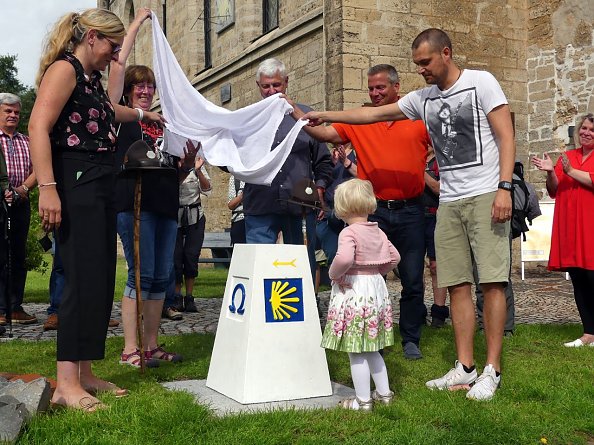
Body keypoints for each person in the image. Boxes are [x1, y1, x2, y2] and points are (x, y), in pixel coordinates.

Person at [303, 28, 515, 401]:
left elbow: (505, 135)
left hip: (485, 193)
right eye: (417, 64)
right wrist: (321, 114)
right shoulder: (423, 98)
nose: (421, 70)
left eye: (425, 62)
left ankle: (492, 369)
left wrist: (504, 187)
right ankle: (464, 367)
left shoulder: (482, 83)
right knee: (457, 283)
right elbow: (368, 116)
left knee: (492, 282)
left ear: (446, 53)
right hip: (450, 200)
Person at [28, 8, 164, 411]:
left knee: (101, 277)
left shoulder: (89, 80)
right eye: (112, 46)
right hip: (75, 181)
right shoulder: (64, 70)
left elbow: (109, 113)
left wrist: (143, 113)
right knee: (81, 279)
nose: (114, 54)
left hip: (101, 181)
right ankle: (66, 383)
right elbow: (37, 126)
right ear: (91, 38)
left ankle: (85, 372)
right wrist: (48, 189)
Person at [290, 64, 431, 360]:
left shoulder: (418, 119)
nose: (375, 93)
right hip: (374, 212)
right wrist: (292, 109)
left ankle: (410, 338)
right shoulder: (360, 120)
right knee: (367, 276)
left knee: (412, 279)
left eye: (381, 88)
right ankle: (374, 334)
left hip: (411, 210)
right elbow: (324, 134)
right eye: (371, 88)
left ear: (396, 87)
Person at [108, 9, 191, 367]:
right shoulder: (120, 117)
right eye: (137, 86)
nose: (144, 91)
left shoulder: (165, 123)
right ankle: (130, 349)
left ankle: (152, 344)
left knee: (161, 276)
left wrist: (187, 162)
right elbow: (115, 68)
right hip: (134, 205)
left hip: (164, 203)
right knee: (139, 274)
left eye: (149, 86)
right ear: (128, 92)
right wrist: (138, 24)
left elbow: (176, 171)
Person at [242, 58, 332, 282]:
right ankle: (264, 313)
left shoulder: (306, 115)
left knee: (301, 265)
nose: (272, 91)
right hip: (261, 204)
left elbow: (324, 161)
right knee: (259, 266)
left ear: (286, 83)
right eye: (266, 86)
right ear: (258, 86)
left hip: (300, 205)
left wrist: (320, 189)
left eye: (276, 85)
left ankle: (305, 311)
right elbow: (231, 159)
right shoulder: (246, 119)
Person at [321, 178, 400, 411]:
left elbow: (344, 259)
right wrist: (379, 271)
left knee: (356, 350)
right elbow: (394, 257)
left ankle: (363, 400)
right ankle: (385, 394)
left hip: (355, 290)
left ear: (341, 208)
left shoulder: (348, 233)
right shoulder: (378, 231)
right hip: (375, 288)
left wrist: (334, 275)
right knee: (372, 346)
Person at [532, 113, 594, 348]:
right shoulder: (567, 157)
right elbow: (554, 190)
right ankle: (588, 333)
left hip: (590, 225)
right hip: (570, 225)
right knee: (578, 277)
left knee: (592, 275)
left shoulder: (571, 164)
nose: (586, 133)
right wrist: (550, 171)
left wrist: (569, 172)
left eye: (592, 130)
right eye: (584, 128)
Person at [0, 93, 37, 326]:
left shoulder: (27, 140)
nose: (13, 115)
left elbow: (38, 168)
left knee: (18, 255)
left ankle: (15, 306)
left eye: (16, 112)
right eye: (8, 111)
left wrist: (22, 189)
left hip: (20, 203)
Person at [173, 156, 211, 312]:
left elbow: (207, 188)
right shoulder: (173, 166)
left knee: (191, 255)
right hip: (175, 216)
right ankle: (176, 296)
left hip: (195, 216)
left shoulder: (197, 167)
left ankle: (189, 296)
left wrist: (198, 170)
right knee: (175, 257)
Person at [423, 146, 449, 328]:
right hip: (415, 215)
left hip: (436, 216)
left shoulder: (441, 161)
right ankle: (417, 310)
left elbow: (439, 189)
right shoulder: (413, 158)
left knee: (436, 266)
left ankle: (439, 313)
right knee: (414, 267)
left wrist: (419, 172)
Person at [227, 175, 246, 246]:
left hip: (257, 220)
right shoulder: (235, 178)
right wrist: (242, 196)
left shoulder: (261, 176)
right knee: (240, 253)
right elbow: (230, 205)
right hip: (240, 220)